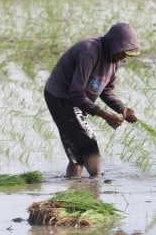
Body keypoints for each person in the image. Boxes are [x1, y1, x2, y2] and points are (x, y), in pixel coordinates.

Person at [44, 22, 140, 178]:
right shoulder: (89, 51)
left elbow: (106, 90)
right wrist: (105, 115)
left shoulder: (113, 60)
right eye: (123, 53)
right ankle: (95, 186)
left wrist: (121, 108)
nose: (123, 57)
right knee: (89, 147)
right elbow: (76, 93)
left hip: (78, 101)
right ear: (114, 45)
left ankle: (78, 192)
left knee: (77, 156)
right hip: (60, 98)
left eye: (127, 55)